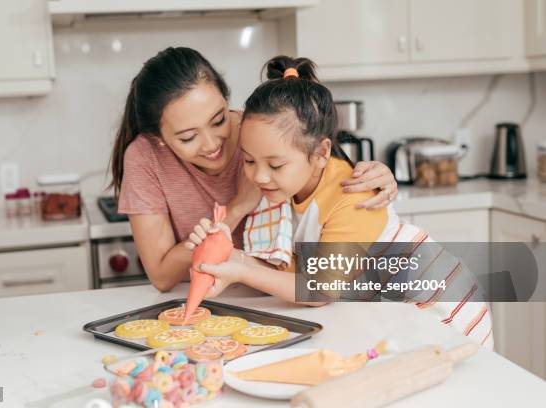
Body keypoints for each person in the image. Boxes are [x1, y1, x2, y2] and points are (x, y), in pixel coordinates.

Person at [188, 55, 493, 348]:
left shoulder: (353, 194)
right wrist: (229, 255)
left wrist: (241, 269)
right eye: (249, 160)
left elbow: (320, 288)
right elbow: (292, 275)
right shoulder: (288, 190)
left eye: (275, 165)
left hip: (441, 309)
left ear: (320, 153)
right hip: (392, 311)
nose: (259, 176)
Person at [111, 47, 399, 292]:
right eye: (188, 137)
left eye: (219, 120)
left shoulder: (263, 135)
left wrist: (382, 178)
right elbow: (162, 276)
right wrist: (235, 213)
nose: (212, 144)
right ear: (159, 138)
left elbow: (322, 287)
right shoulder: (146, 158)